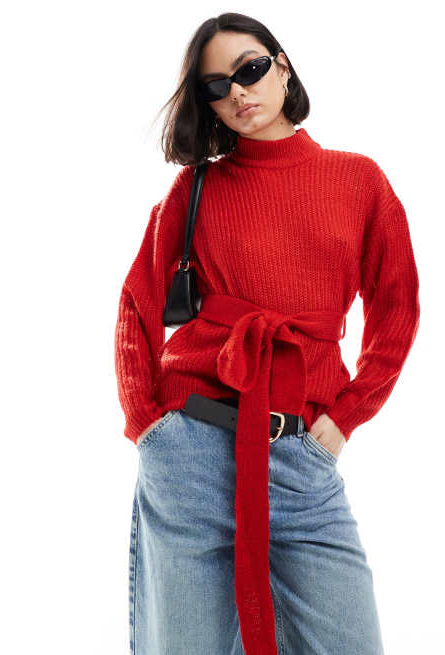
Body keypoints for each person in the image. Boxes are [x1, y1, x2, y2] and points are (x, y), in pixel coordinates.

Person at [114, 12, 420, 655]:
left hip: (300, 457)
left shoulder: (359, 180)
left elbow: (397, 309)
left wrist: (345, 418)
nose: (238, 93)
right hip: (191, 452)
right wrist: (146, 423)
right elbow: (137, 303)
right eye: (215, 86)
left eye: (249, 70)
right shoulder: (196, 187)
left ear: (282, 67)